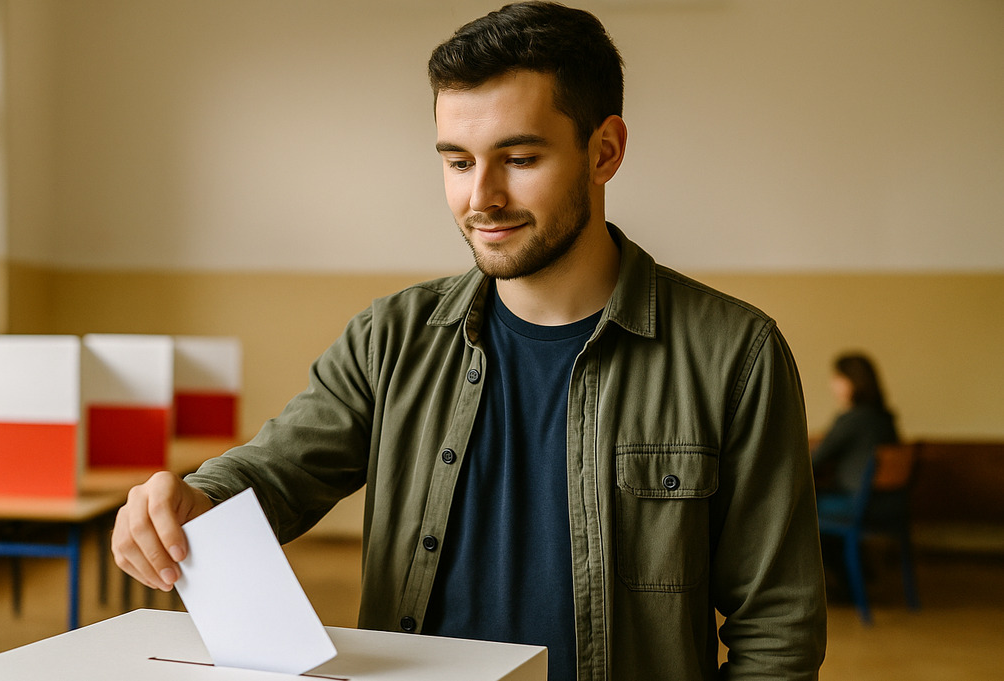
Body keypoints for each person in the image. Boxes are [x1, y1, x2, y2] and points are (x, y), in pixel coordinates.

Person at [112, 3, 826, 679]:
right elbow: (274, 474)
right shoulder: (389, 338)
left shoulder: (735, 354)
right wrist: (192, 501)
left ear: (604, 151)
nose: (481, 197)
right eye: (458, 162)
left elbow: (777, 623)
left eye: (519, 159)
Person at [811, 353, 900, 495]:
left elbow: (815, 460)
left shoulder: (854, 419)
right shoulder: (884, 418)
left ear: (853, 381)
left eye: (837, 378)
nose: (831, 385)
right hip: (885, 499)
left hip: (854, 497)